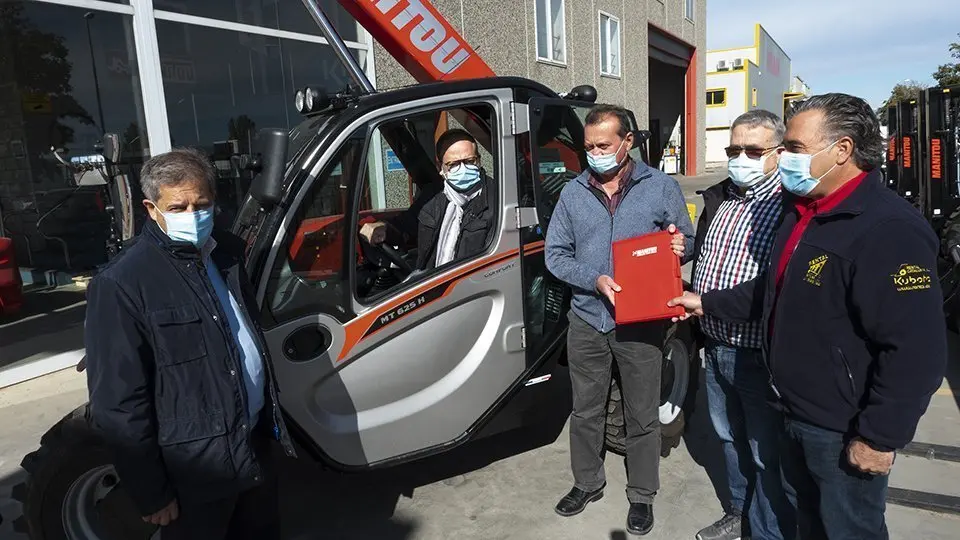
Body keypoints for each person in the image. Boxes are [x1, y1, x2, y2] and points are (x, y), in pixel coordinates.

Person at [670, 93, 948, 539]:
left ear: (841, 150)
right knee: (806, 520)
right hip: (792, 407)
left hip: (842, 425)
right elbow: (776, 291)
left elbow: (917, 349)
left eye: (794, 149)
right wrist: (708, 303)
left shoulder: (888, 228)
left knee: (848, 527)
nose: (784, 160)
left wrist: (879, 436)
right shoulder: (805, 212)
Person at [84, 148, 296, 540]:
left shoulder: (227, 254)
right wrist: (151, 493)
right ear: (151, 208)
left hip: (252, 446)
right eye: (178, 206)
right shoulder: (124, 283)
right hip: (195, 470)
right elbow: (118, 404)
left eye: (201, 204)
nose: (192, 215)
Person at [545, 103, 694, 536]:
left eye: (603, 145)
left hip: (641, 320)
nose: (594, 153)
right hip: (589, 318)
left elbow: (687, 235)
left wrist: (682, 245)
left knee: (641, 412)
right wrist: (594, 280)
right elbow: (556, 255)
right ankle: (587, 483)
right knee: (585, 409)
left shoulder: (660, 186)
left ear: (627, 142)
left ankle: (642, 494)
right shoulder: (573, 193)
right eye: (588, 146)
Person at [691, 110, 795, 540]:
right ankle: (739, 512)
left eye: (754, 150)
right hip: (715, 347)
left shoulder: (789, 204)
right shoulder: (722, 196)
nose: (741, 158)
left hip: (757, 354)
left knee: (764, 450)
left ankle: (768, 531)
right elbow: (708, 257)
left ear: (779, 152)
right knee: (728, 438)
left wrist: (704, 301)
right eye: (734, 150)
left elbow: (774, 288)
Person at [359, 128, 497, 270]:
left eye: (469, 161)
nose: (463, 169)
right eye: (453, 164)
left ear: (479, 161)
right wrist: (382, 227)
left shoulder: (497, 200)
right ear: (441, 167)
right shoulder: (433, 196)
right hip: (431, 282)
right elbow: (405, 226)